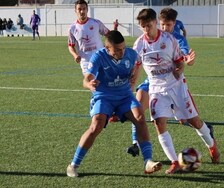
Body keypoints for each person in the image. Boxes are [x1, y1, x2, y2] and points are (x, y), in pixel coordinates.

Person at [132, 8, 220, 174]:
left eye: (148, 25)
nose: (146, 29)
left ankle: (212, 145)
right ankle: (175, 162)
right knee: (158, 122)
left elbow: (180, 62)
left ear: (154, 23)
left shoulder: (170, 40)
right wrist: (130, 85)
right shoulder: (139, 44)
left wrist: (180, 68)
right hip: (156, 88)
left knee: (193, 120)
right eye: (142, 27)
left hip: (176, 86)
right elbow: (135, 67)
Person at [66, 30, 162, 177]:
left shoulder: (130, 53)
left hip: (125, 96)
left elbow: (138, 63)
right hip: (104, 96)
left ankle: (148, 161)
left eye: (122, 48)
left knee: (140, 118)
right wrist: (90, 84)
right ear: (107, 49)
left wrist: (133, 79)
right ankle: (73, 165)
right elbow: (86, 79)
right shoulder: (99, 56)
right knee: (96, 125)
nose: (121, 52)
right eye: (116, 50)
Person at [68, 0, 109, 75]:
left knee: (102, 82)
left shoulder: (96, 23)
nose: (82, 11)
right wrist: (75, 55)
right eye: (79, 9)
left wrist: (109, 46)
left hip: (100, 58)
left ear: (87, 10)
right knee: (91, 83)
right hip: (85, 61)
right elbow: (71, 46)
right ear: (75, 11)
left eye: (84, 9)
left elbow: (109, 34)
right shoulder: (72, 28)